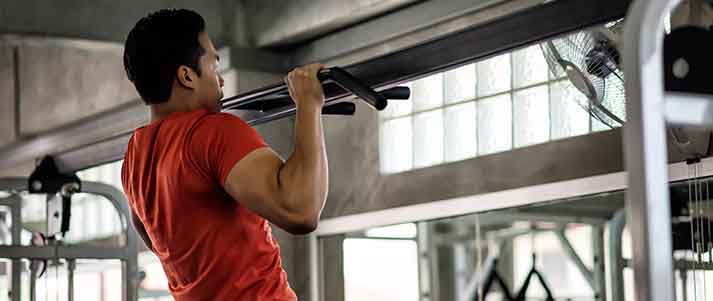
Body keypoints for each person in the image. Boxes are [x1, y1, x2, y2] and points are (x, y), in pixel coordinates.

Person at [121, 9, 328, 301]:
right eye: (214, 67)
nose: (220, 82)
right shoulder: (213, 131)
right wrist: (309, 104)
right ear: (187, 76)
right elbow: (301, 210)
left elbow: (151, 236)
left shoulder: (134, 157)